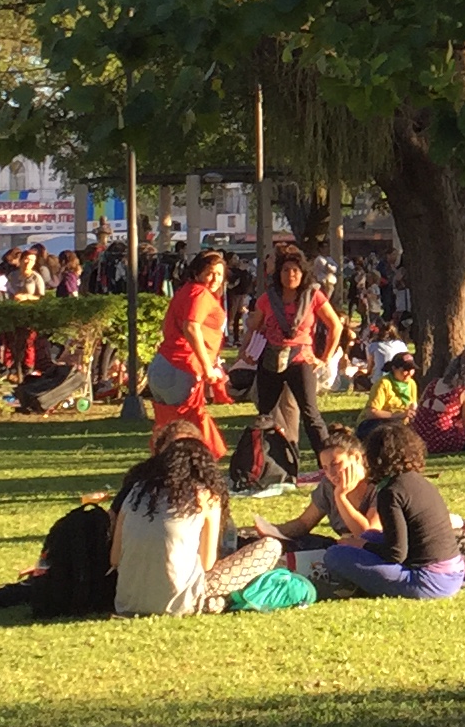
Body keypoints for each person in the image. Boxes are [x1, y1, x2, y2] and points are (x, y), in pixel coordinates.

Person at [107, 435, 281, 615]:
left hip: (126, 603)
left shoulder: (135, 493)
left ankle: (215, 602)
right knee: (271, 547)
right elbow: (207, 564)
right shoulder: (206, 498)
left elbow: (115, 558)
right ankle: (216, 602)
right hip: (180, 602)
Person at [306, 417, 465, 598]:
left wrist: (362, 545)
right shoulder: (418, 482)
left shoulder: (390, 492)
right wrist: (366, 542)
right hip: (452, 573)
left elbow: (396, 553)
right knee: (370, 535)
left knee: (335, 555)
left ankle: (349, 583)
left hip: (427, 580)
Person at [238, 244, 342, 488]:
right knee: (265, 415)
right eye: (285, 270)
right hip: (271, 360)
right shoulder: (267, 299)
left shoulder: (313, 295)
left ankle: (327, 467)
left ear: (302, 272)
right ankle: (266, 466)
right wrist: (245, 352)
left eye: (295, 270)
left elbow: (335, 326)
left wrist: (324, 357)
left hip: (301, 360)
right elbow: (254, 327)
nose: (290, 275)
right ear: (279, 274)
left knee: (311, 414)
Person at [147, 253, 235, 459]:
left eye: (219, 274)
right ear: (197, 272)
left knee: (167, 426)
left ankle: (163, 468)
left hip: (162, 365)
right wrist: (207, 368)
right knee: (186, 428)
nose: (215, 279)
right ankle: (191, 467)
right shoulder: (199, 294)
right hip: (181, 367)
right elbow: (191, 327)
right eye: (209, 273)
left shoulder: (185, 291)